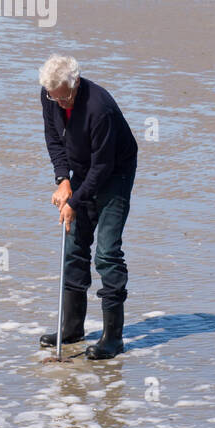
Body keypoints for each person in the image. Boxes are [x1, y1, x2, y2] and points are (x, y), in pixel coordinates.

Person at [39, 54, 138, 359]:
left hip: (114, 173)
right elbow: (54, 139)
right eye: (55, 98)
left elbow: (103, 166)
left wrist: (75, 201)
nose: (61, 104)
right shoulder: (50, 94)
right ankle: (71, 328)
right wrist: (62, 180)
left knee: (107, 254)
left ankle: (113, 339)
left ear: (76, 83)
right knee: (74, 247)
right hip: (82, 171)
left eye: (65, 97)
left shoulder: (99, 108)